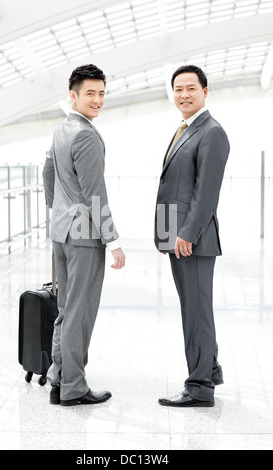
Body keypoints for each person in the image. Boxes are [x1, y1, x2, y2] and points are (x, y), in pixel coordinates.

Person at [42, 64, 125, 407]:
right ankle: (74, 387)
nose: (97, 100)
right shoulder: (87, 134)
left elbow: (48, 171)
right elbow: (94, 194)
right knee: (80, 311)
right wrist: (114, 241)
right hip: (83, 236)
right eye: (90, 93)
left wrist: (59, 207)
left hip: (62, 232)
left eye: (102, 93)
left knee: (66, 308)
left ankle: (58, 379)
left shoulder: (62, 129)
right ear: (73, 96)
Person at [154, 65, 230, 407]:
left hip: (192, 241)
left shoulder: (211, 131)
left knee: (196, 312)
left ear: (205, 91)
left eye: (190, 88)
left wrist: (186, 234)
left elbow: (206, 192)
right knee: (196, 308)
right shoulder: (186, 128)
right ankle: (209, 370)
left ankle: (199, 387)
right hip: (178, 236)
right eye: (178, 89)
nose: (183, 94)